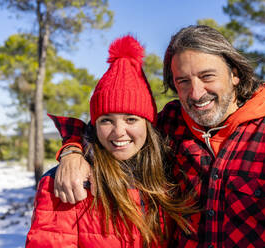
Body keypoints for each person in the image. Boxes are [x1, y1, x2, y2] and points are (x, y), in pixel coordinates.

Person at [51, 25, 265, 247]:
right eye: (183, 82)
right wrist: (73, 151)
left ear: (235, 73)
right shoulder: (171, 124)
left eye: (207, 76)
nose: (196, 93)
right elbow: (109, 130)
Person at [26, 35, 193, 247]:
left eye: (131, 119)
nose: (118, 132)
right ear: (94, 124)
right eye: (106, 120)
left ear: (148, 124)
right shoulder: (68, 182)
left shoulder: (167, 173)